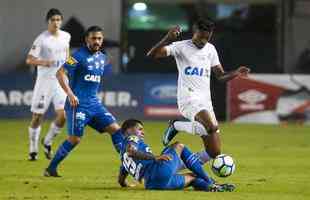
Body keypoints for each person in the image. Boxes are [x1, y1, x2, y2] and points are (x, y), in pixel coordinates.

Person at [147, 18, 250, 162]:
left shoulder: (210, 49)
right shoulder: (180, 47)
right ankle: (176, 125)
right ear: (194, 32)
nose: (203, 41)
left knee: (214, 152)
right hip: (188, 99)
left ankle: (177, 167)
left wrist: (236, 73)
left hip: (205, 102)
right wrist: (167, 38)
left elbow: (220, 76)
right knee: (211, 126)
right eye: (200, 37)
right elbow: (152, 55)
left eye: (207, 38)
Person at [44, 25, 124, 177]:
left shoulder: (102, 57)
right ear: (87, 39)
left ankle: (126, 163)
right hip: (77, 105)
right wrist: (70, 94)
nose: (97, 41)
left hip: (95, 104)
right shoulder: (77, 56)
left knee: (116, 130)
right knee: (75, 139)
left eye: (99, 38)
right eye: (94, 38)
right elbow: (60, 73)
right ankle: (50, 169)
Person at [118, 119, 235, 192]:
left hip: (153, 184)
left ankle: (211, 187)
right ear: (128, 130)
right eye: (140, 129)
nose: (142, 132)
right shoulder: (131, 138)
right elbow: (131, 151)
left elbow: (122, 177)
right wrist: (155, 157)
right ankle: (210, 181)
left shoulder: (123, 158)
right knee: (179, 145)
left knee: (193, 177)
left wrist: (124, 184)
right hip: (158, 172)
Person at [26, 8, 71, 161]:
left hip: (60, 81)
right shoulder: (42, 39)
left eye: (59, 19)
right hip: (44, 82)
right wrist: (44, 62)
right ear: (48, 22)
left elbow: (67, 55)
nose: (56, 22)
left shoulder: (66, 36)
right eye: (53, 20)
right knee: (38, 116)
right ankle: (33, 148)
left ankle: (47, 141)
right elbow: (29, 59)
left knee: (63, 115)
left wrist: (71, 66)